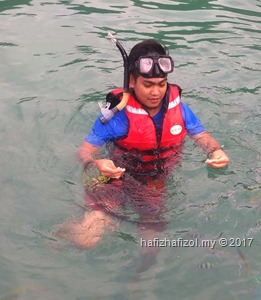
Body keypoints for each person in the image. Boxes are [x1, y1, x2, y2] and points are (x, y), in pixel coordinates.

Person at [54, 39, 229, 250]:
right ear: (131, 82)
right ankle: (53, 240)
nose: (156, 92)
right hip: (116, 179)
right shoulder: (118, 117)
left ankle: (136, 279)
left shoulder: (179, 109)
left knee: (152, 244)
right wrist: (97, 162)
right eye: (148, 85)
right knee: (88, 239)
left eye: (161, 84)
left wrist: (216, 150)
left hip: (155, 184)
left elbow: (202, 136)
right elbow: (84, 152)